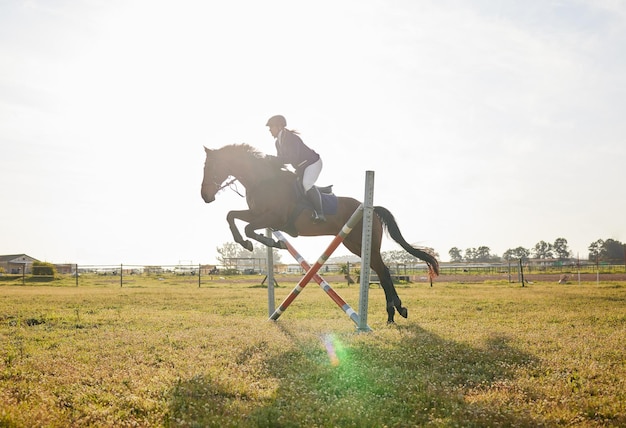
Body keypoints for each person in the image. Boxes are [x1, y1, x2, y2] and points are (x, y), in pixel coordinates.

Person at [266, 114, 326, 223]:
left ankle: (320, 213)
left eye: (271, 127)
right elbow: (281, 160)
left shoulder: (290, 138)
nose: (269, 130)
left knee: (307, 183)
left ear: (279, 126)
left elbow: (290, 158)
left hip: (312, 163)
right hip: (301, 167)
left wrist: (273, 159)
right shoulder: (278, 142)